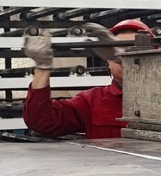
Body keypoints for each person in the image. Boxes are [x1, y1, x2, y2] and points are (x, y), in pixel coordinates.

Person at [21, 19, 152, 140]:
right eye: (120, 51)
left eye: (134, 51)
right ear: (108, 60)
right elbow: (42, 121)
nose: (126, 57)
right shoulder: (92, 102)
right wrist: (42, 67)